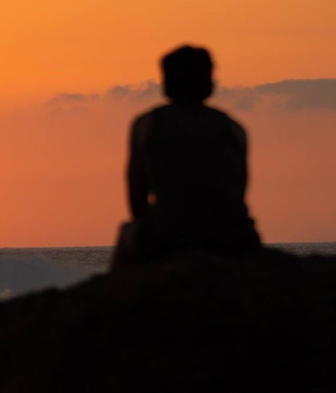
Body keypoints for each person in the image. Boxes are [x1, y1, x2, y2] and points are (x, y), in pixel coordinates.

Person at [111, 45, 261, 269]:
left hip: (169, 234)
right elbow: (238, 191)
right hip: (234, 236)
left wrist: (153, 225)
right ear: (209, 82)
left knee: (127, 235)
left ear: (167, 83)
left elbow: (137, 191)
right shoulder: (233, 128)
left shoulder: (147, 125)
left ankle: (118, 299)